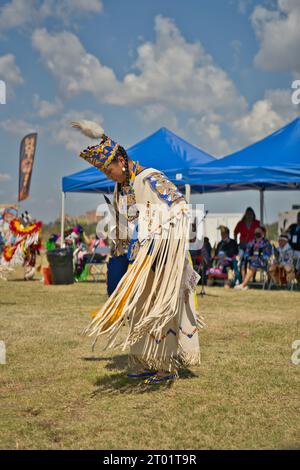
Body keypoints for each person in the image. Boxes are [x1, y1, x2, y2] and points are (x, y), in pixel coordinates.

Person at [71, 120, 204, 384]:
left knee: (162, 311)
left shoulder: (150, 177)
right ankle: (145, 361)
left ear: (121, 160)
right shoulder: (121, 187)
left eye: (111, 172)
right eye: (107, 175)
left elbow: (180, 208)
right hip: (140, 261)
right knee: (140, 311)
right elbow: (121, 226)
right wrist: (118, 259)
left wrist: (153, 232)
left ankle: (166, 367)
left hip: (163, 258)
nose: (111, 177)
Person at [235, 225, 272, 290]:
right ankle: (243, 282)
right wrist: (249, 257)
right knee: (243, 261)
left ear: (263, 234)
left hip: (262, 262)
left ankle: (243, 284)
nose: (256, 233)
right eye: (255, 232)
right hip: (252, 261)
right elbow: (247, 253)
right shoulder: (251, 242)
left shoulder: (266, 243)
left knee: (254, 264)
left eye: (258, 232)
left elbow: (267, 255)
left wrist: (257, 258)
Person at [234, 207, 260, 282]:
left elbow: (262, 231)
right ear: (245, 214)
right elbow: (235, 232)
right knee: (242, 261)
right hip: (243, 245)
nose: (249, 215)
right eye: (247, 214)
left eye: (250, 214)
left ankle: (253, 278)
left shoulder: (257, 223)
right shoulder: (241, 223)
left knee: (253, 261)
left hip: (254, 246)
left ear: (253, 215)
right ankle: (243, 279)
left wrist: (259, 241)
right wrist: (236, 242)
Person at [287, 211, 300, 278]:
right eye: (298, 217)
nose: (299, 218)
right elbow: (286, 233)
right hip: (291, 250)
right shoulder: (293, 226)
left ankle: (296, 275)